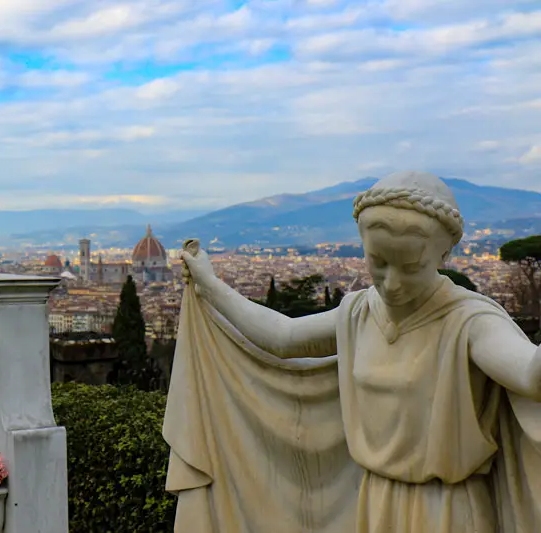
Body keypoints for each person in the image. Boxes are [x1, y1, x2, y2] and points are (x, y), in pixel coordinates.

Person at [166, 171, 541, 532]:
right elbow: (283, 336)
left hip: (447, 511)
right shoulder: (361, 311)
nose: (391, 284)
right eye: (378, 262)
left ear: (445, 254)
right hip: (374, 502)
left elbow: (528, 374)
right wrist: (210, 286)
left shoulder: (470, 322)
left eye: (411, 267)